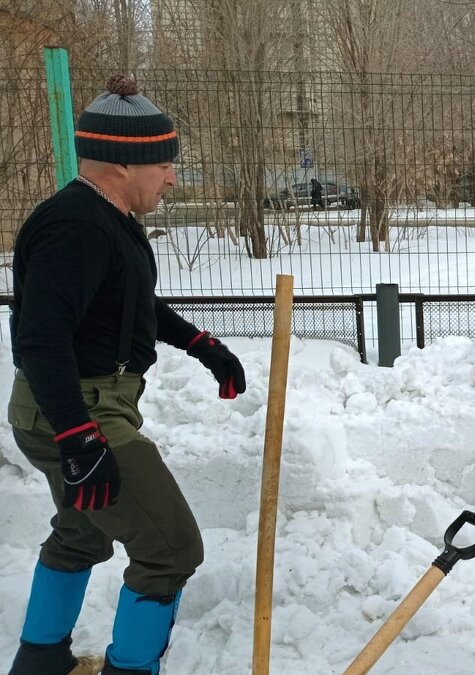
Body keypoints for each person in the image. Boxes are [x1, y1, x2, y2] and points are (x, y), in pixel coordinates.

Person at [6, 75, 247, 675]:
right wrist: (78, 437)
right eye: (164, 164)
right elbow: (40, 336)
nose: (171, 177)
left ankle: (40, 663)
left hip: (74, 407)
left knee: (83, 533)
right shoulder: (77, 227)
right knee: (170, 549)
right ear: (123, 163)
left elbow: (131, 302)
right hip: (76, 411)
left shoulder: (105, 219)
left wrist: (202, 345)